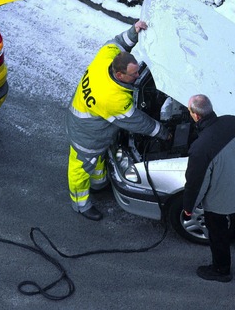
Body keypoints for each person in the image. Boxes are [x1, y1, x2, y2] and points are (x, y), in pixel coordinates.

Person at [66, 20, 170, 221]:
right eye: (134, 74)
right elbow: (139, 122)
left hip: (86, 119)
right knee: (80, 167)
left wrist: (134, 31)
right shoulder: (113, 98)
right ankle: (81, 205)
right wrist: (163, 132)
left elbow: (118, 42)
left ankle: (99, 184)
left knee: (96, 158)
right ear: (119, 74)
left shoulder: (107, 56)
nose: (138, 76)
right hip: (86, 134)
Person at [182, 94, 235, 282]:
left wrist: (188, 208)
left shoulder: (200, 148)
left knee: (218, 235)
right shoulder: (233, 123)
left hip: (219, 202)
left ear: (195, 115)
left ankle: (222, 270)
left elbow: (196, 184)